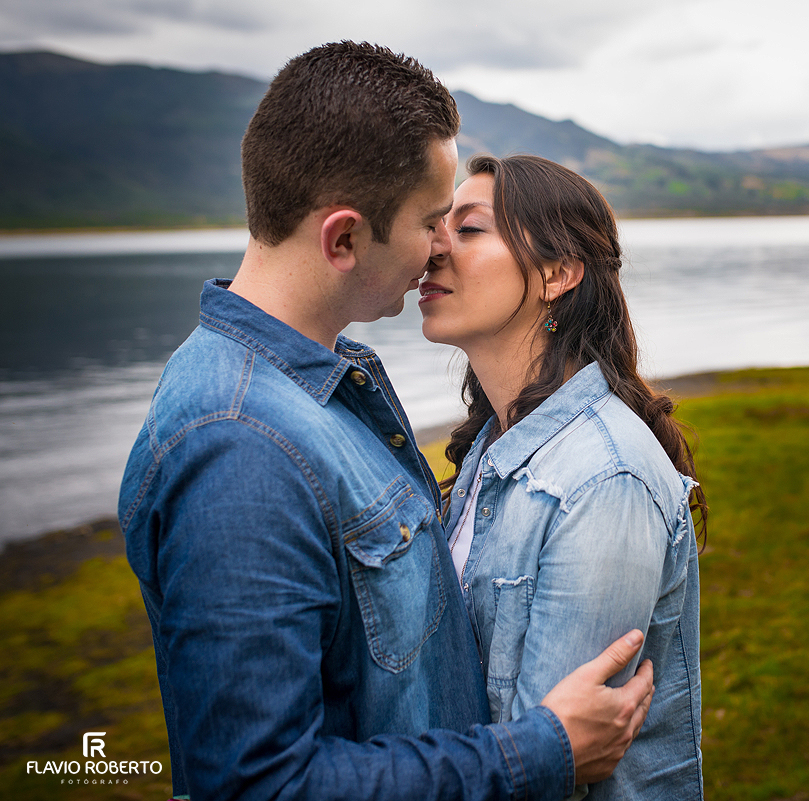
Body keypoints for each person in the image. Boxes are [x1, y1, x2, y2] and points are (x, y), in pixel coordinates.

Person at [119, 42, 654, 801]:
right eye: (435, 221)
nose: (442, 247)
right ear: (343, 238)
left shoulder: (331, 383)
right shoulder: (239, 444)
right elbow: (258, 785)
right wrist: (539, 750)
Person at [417, 154, 706, 800]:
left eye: (468, 229)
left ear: (557, 273)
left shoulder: (605, 480)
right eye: (438, 225)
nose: (433, 248)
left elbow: (545, 774)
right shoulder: (492, 448)